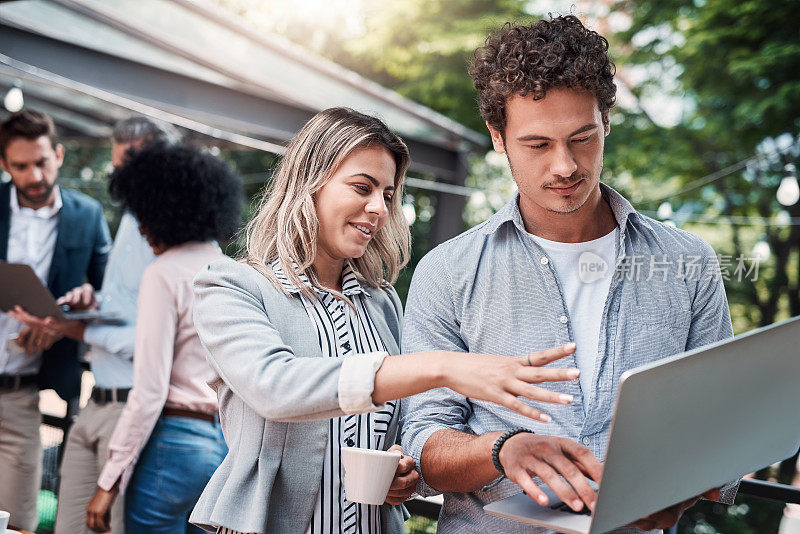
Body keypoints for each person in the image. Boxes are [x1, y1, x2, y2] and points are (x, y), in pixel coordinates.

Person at [400, 15, 736, 533]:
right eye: (537, 145)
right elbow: (426, 446)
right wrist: (502, 451)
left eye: (582, 138)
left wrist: (688, 485)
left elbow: (722, 426)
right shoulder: (447, 274)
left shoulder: (688, 263)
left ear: (607, 122)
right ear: (498, 137)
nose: (564, 166)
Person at [187, 107, 583, 534]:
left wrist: (405, 474)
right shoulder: (232, 286)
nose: (378, 208)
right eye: (362, 187)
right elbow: (275, 387)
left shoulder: (382, 303)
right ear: (309, 183)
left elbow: (399, 429)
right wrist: (443, 366)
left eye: (388, 195)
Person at [10, 115, 182, 534]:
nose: (120, 175)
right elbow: (123, 302)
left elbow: (158, 342)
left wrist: (76, 329)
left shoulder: (179, 229)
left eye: (131, 164)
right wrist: (90, 299)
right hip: (95, 402)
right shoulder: (129, 218)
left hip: (135, 406)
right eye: (118, 164)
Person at [79, 142, 242, 533]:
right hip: (223, 447)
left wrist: (108, 482)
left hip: (171, 445)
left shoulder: (163, 273)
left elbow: (150, 391)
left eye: (143, 215)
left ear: (162, 211)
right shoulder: (233, 273)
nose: (140, 227)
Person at [0, 109, 111, 531]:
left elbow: (109, 294)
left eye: (42, 162)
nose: (34, 176)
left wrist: (80, 304)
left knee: (19, 522)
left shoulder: (88, 215)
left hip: (23, 396)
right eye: (21, 166)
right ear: (4, 165)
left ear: (59, 155)